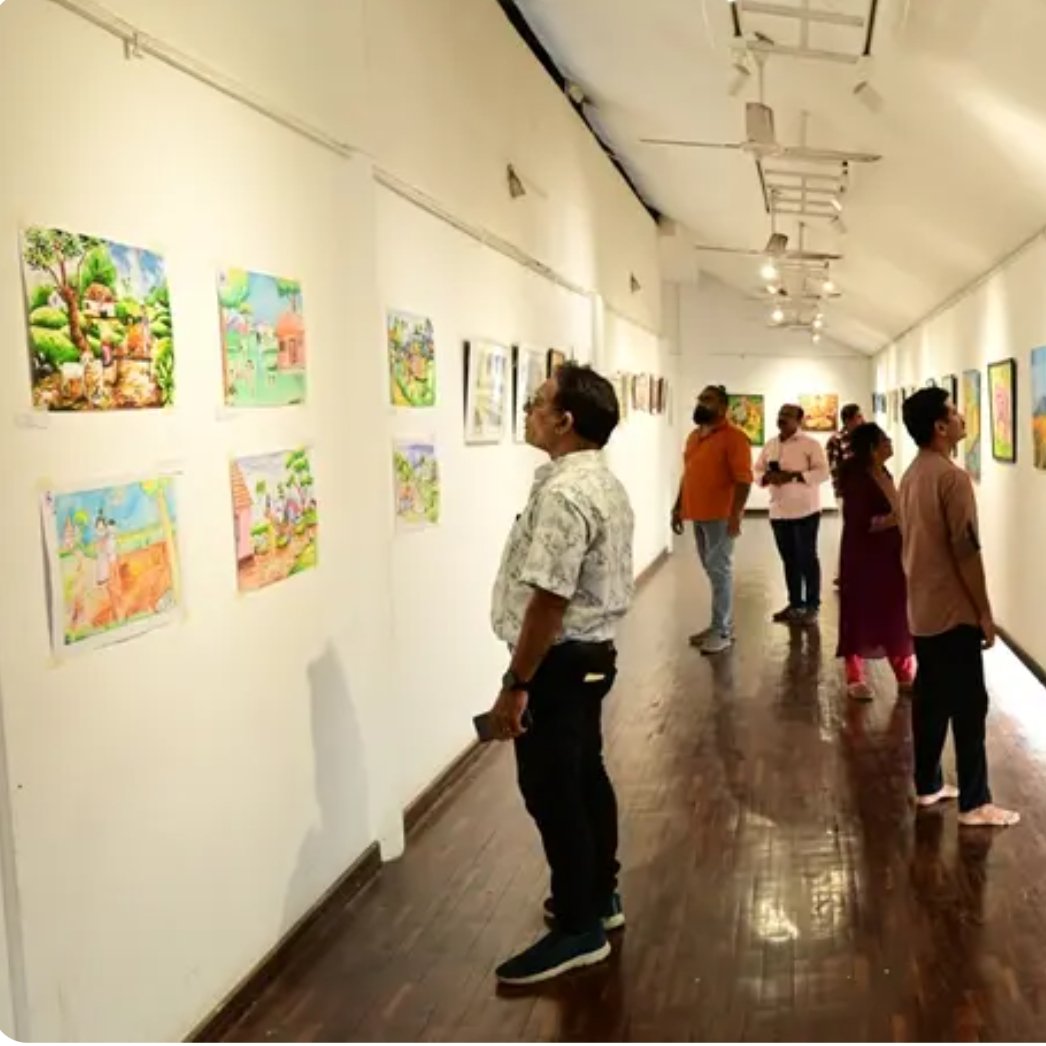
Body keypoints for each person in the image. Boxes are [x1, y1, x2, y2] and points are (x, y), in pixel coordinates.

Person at [487, 362, 635, 984]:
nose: (528, 410)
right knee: (585, 776)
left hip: (559, 662)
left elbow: (549, 599)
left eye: (537, 401)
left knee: (552, 791)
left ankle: (579, 928)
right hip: (591, 657)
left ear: (564, 421)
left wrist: (516, 683)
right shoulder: (601, 481)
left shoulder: (564, 494)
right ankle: (600, 895)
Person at [899, 387, 1018, 827]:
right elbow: (966, 551)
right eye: (953, 412)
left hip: (922, 607)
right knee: (969, 704)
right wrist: (984, 612)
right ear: (940, 427)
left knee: (930, 700)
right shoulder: (952, 478)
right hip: (952, 610)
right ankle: (975, 802)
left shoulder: (912, 474)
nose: (961, 416)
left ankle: (928, 785)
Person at [670, 385, 752, 655]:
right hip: (697, 513)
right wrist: (678, 506)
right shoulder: (694, 436)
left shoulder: (735, 438)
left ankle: (723, 631)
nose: (701, 403)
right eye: (700, 398)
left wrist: (735, 515)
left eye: (708, 399)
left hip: (721, 515)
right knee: (713, 570)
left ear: (723, 407)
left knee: (719, 571)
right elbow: (688, 474)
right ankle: (720, 624)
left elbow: (744, 480)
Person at [836, 423, 915, 700]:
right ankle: (855, 677)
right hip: (864, 556)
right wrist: (896, 518)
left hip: (891, 554)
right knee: (860, 613)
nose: (890, 443)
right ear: (872, 448)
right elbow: (860, 521)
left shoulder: (883, 472)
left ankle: (904, 674)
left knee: (894, 612)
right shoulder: (858, 479)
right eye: (885, 440)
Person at [754, 404, 830, 624]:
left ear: (799, 420)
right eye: (780, 414)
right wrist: (767, 477)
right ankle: (795, 604)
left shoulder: (810, 444)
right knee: (789, 560)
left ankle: (812, 606)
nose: (782, 418)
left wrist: (794, 476)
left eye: (787, 415)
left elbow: (823, 472)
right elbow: (757, 469)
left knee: (807, 559)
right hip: (778, 512)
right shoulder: (771, 444)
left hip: (806, 512)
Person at [827, 403, 864, 587]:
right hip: (847, 493)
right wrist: (843, 492)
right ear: (848, 420)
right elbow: (835, 469)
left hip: (863, 491)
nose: (862, 420)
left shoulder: (863, 438)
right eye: (858, 417)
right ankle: (843, 573)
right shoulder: (836, 440)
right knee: (848, 531)